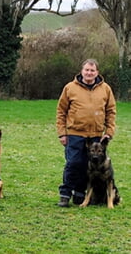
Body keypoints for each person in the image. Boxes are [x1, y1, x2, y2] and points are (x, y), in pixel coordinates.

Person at [56, 59, 116, 207]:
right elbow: (61, 111)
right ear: (81, 71)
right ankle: (65, 194)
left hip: (96, 134)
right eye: (87, 70)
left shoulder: (106, 89)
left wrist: (109, 131)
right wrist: (62, 133)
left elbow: (111, 111)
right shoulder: (70, 88)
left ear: (97, 72)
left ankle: (80, 194)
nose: (89, 73)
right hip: (75, 133)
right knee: (74, 163)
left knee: (89, 166)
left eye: (92, 70)